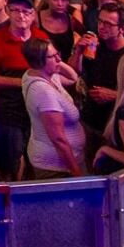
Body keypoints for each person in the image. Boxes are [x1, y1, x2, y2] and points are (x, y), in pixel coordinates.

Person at [18, 39, 84, 179]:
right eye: (53, 56)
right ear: (39, 61)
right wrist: (76, 171)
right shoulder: (43, 92)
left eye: (57, 54)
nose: (59, 59)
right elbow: (58, 139)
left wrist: (56, 62)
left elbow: (73, 78)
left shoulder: (45, 75)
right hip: (56, 166)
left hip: (63, 162)